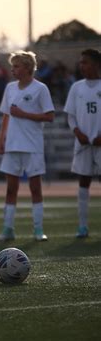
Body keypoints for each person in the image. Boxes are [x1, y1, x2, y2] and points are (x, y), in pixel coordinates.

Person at [0, 50, 55, 242]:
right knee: (11, 189)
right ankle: (8, 229)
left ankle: (38, 229)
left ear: (28, 68)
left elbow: (50, 116)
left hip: (32, 145)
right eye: (12, 66)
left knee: (35, 188)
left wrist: (24, 114)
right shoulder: (10, 88)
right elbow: (6, 115)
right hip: (12, 145)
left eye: (16, 66)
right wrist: (1, 138)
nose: (13, 70)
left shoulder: (40, 88)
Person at [63, 49, 101, 238]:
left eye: (85, 62)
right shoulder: (76, 87)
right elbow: (71, 116)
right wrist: (77, 132)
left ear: (96, 65)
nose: (81, 66)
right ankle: (83, 226)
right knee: (83, 182)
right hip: (83, 143)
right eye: (80, 63)